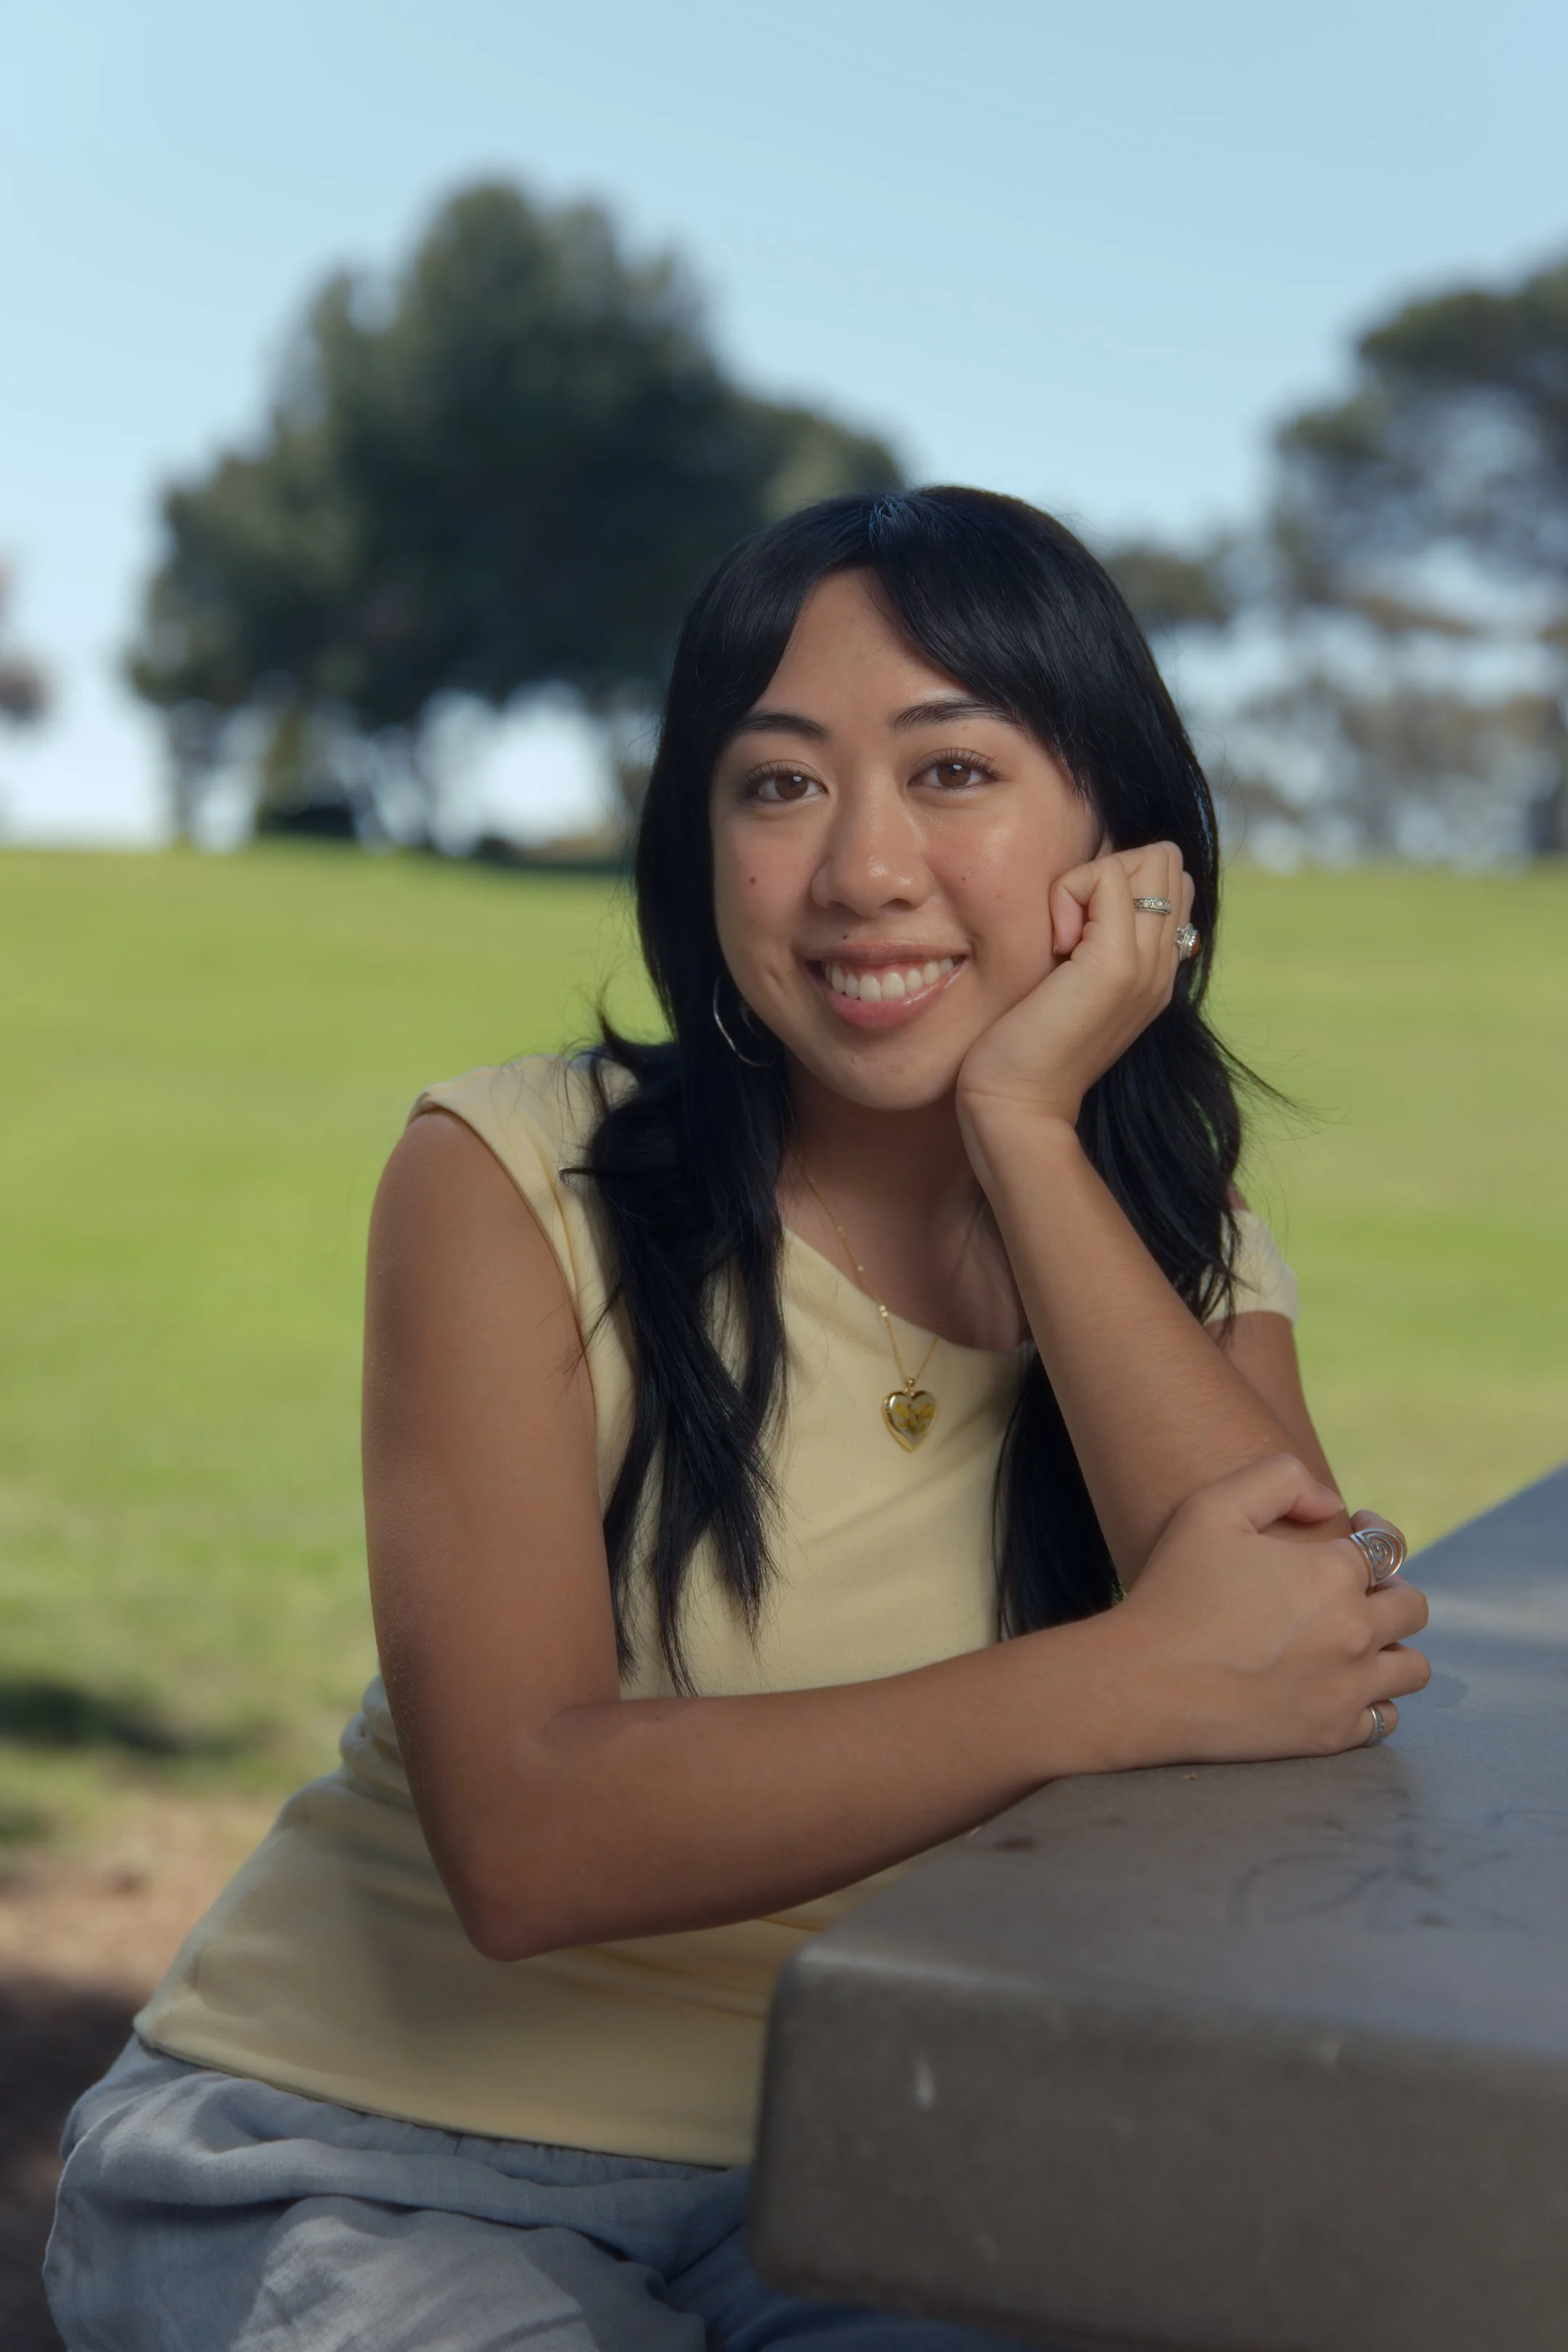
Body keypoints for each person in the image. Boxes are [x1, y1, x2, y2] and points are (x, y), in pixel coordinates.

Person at [46, 489, 1429, 2352]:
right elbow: (528, 1843)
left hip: (862, 2185)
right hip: (357, 2161)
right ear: (701, 842)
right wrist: (1128, 1677)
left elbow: (1293, 1672)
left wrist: (1024, 1129)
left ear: (1124, 844)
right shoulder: (512, 1175)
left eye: (954, 773)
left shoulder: (1172, 1245)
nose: (861, 868)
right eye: (778, 787)